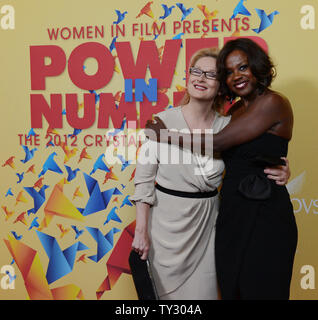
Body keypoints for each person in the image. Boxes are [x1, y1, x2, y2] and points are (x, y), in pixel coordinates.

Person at [130, 45, 291, 300]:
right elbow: (144, 179)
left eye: (212, 74)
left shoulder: (228, 122)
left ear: (221, 86)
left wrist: (281, 166)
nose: (201, 78)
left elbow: (237, 148)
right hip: (167, 230)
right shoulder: (162, 120)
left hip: (210, 228)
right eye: (196, 71)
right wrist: (141, 230)